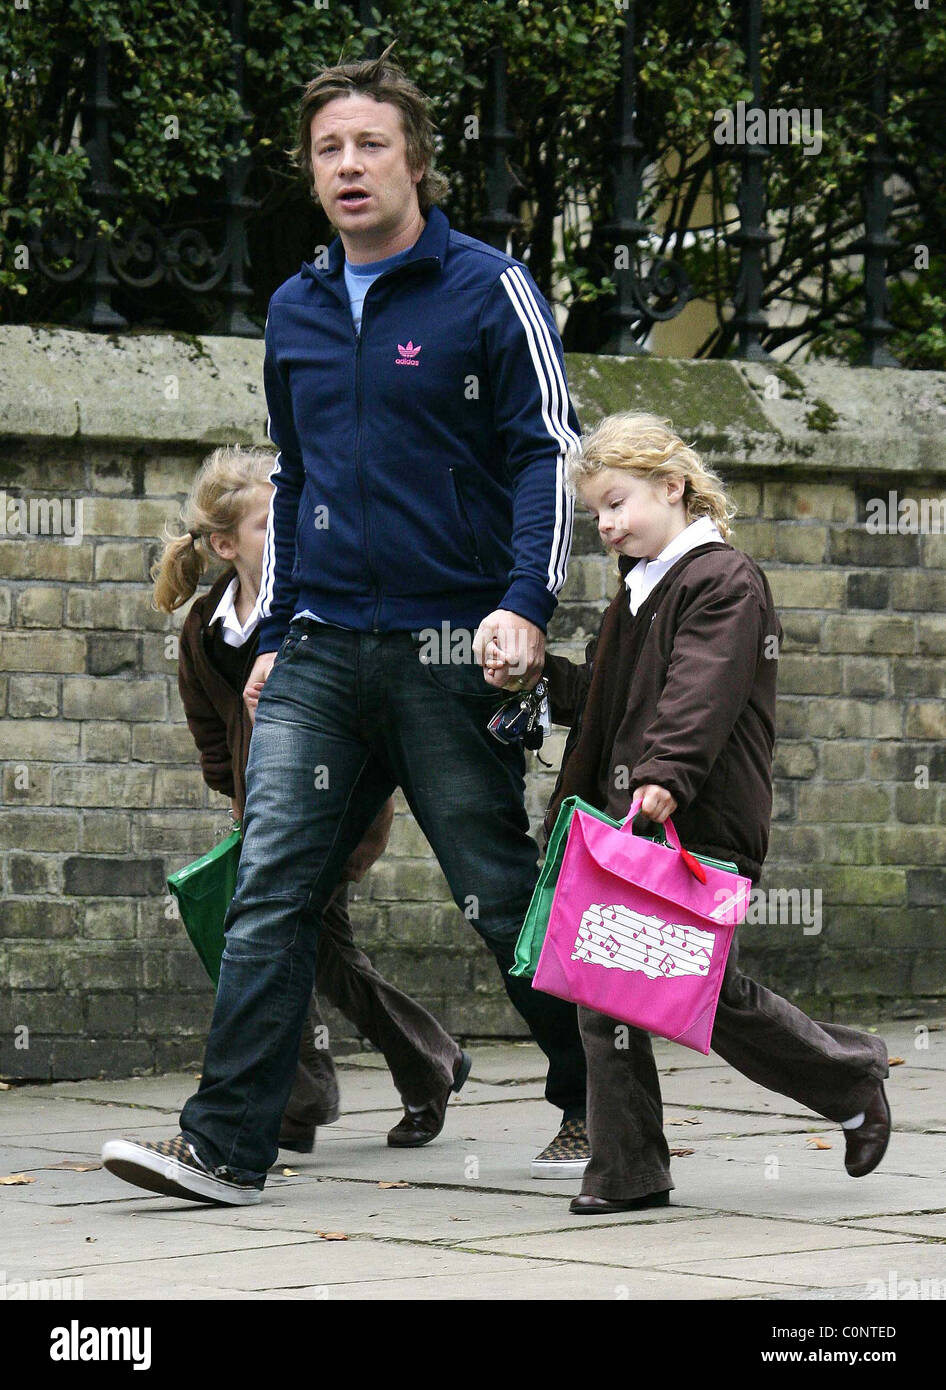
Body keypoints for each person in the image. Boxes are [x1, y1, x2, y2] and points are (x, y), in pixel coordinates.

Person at [101, 44, 587, 1206]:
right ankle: (225, 1144)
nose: (350, 164)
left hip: (446, 645)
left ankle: (597, 1091)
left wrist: (525, 604)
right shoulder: (296, 307)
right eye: (329, 149)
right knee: (273, 881)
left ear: (414, 159)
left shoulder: (487, 287)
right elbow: (300, 471)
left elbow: (545, 452)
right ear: (310, 174)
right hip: (321, 645)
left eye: (371, 143)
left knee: (496, 888)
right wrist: (277, 628)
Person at [530, 411, 891, 1214]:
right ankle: (631, 1169)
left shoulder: (721, 581)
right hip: (641, 817)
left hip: (692, 816)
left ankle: (850, 1076)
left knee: (681, 990)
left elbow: (702, 691)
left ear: (672, 486)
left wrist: (664, 776)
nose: (606, 524)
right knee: (621, 992)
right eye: (596, 512)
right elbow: (610, 702)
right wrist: (537, 679)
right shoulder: (644, 588)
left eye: (617, 503)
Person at [150, 444, 471, 1156]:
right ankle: (417, 1065)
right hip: (262, 814)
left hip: (334, 807)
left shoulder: (317, 608)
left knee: (272, 937)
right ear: (227, 544)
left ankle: (307, 1095)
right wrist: (235, 791)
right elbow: (208, 722)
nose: (292, 532)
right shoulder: (208, 628)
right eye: (272, 524)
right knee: (310, 948)